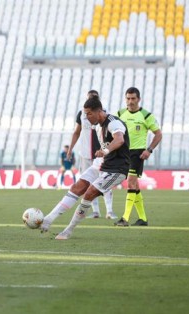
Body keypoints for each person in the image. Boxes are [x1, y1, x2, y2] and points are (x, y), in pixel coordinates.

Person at [40, 96, 129, 240]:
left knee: (89, 193)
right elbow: (97, 139)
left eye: (89, 114)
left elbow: (119, 139)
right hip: (101, 164)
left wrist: (105, 151)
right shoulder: (97, 125)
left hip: (117, 170)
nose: (86, 118)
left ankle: (68, 230)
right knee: (76, 187)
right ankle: (48, 220)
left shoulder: (113, 122)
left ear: (99, 111)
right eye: (85, 114)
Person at [115, 87, 162, 227]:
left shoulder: (146, 115)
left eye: (133, 98)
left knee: (130, 181)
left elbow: (158, 134)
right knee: (133, 184)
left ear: (139, 99)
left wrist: (149, 150)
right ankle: (143, 218)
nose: (130, 101)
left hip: (137, 153)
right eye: (128, 98)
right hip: (123, 153)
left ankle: (125, 218)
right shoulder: (119, 114)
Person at [67, 90, 117, 219]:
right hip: (85, 153)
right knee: (89, 182)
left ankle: (110, 211)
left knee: (104, 181)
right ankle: (95, 212)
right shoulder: (81, 114)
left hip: (101, 153)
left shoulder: (104, 114)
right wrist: (70, 148)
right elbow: (76, 132)